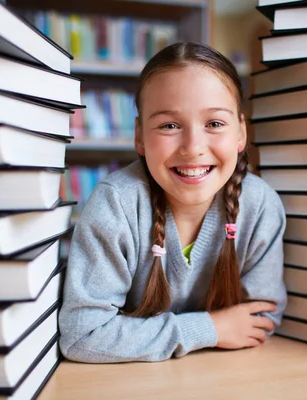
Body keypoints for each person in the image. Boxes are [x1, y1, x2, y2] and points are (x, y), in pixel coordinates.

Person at [58, 42, 286, 363]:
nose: (193, 148)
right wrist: (208, 328)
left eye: (215, 124)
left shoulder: (260, 204)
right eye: (169, 125)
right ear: (139, 136)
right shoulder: (117, 204)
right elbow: (84, 335)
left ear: (241, 133)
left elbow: (260, 322)